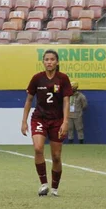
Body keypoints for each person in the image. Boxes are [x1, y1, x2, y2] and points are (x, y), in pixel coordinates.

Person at [21, 49, 73, 197]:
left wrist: (65, 121)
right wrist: (24, 121)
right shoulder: (37, 78)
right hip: (39, 118)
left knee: (56, 156)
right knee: (38, 148)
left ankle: (55, 188)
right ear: (43, 62)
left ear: (57, 62)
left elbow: (66, 101)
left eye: (52, 59)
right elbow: (29, 100)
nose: (49, 62)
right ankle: (43, 184)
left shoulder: (62, 78)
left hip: (57, 121)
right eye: (46, 59)